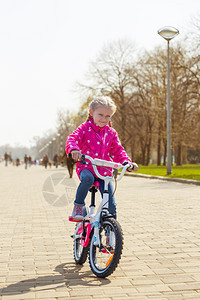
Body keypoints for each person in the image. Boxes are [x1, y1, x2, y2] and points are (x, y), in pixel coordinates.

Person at [66, 96, 138, 220]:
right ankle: (78, 206)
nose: (104, 119)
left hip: (104, 171)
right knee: (87, 178)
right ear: (91, 112)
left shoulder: (111, 133)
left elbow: (118, 150)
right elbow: (72, 138)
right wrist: (74, 149)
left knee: (111, 204)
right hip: (86, 166)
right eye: (100, 115)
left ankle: (112, 231)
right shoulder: (84, 128)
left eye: (108, 116)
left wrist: (126, 162)